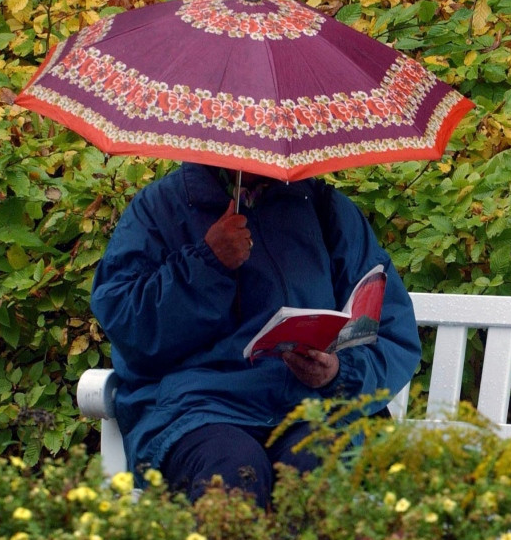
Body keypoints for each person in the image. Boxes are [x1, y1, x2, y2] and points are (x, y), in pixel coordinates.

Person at [90, 162, 421, 508]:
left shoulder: (325, 209)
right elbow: (127, 323)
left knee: (316, 470)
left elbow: (388, 330)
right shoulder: (160, 209)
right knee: (232, 473)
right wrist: (207, 264)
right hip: (198, 410)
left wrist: (338, 372)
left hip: (313, 408)